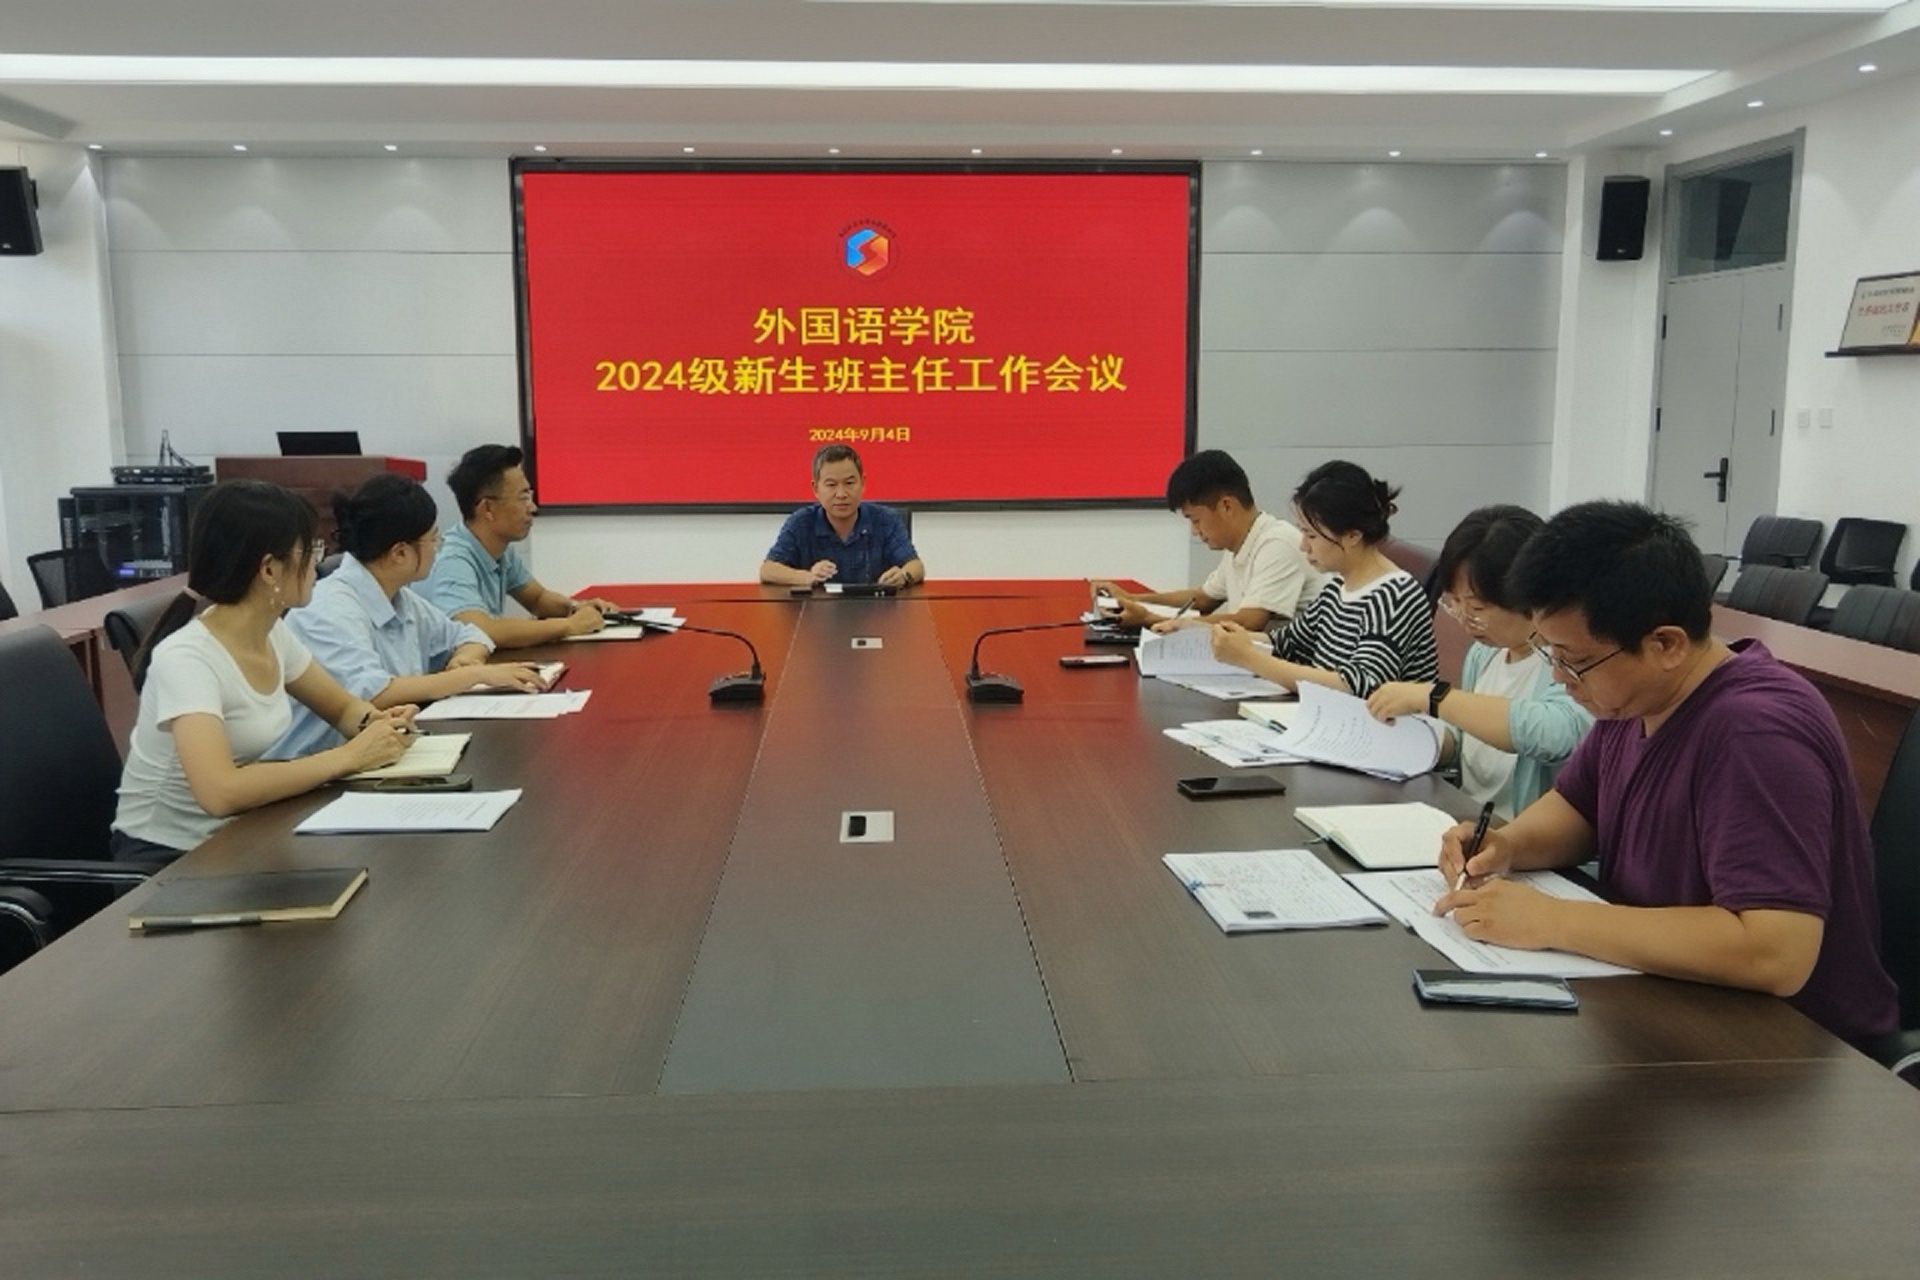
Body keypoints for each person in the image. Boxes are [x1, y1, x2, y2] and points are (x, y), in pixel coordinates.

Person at [1433, 501, 1898, 1045]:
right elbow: (1580, 807)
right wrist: (1507, 846)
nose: (1559, 677)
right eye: (1549, 653)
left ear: (1666, 644)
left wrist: (1552, 920)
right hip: (1667, 1001)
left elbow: (1776, 952)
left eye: (1572, 660)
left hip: (1788, 1045)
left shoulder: (1754, 732)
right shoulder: (1631, 697)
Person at [111, 479, 415, 863]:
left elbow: (342, 709)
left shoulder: (272, 633)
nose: (317, 564)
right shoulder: (188, 659)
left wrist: (378, 723)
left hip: (240, 835)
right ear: (269, 569)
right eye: (310, 550)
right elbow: (220, 792)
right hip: (168, 859)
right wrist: (350, 757)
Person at [271, 473, 548, 758]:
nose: (438, 548)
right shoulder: (329, 608)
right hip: (312, 766)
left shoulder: (400, 596)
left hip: (379, 751)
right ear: (400, 553)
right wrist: (472, 674)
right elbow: (375, 693)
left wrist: (465, 658)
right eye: (433, 539)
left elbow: (469, 634)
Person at [1366, 505, 1591, 817]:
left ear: (1528, 596)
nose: (1464, 619)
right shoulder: (1484, 653)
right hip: (1463, 813)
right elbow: (1464, 738)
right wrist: (1412, 742)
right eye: (1454, 602)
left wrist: (1435, 698)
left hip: (1515, 829)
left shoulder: (1565, 663)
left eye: (1477, 608)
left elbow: (1556, 733)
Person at [1208, 460, 1437, 698]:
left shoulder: (1393, 596)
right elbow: (1287, 643)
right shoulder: (1338, 587)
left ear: (1352, 536)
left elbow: (1359, 686)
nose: (1303, 546)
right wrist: (1235, 639)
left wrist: (1249, 657)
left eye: (1311, 535)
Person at [1090, 449, 1323, 632]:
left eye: (1196, 520)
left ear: (1226, 506)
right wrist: (1130, 599)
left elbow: (1249, 622)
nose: (1194, 531)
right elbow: (1202, 600)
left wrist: (1150, 618)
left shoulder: (1277, 543)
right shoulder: (1240, 545)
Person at [422, 444, 621, 647]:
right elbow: (479, 629)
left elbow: (538, 599)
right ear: (487, 508)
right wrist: (569, 625)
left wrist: (577, 607)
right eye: (523, 498)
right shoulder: (453, 560)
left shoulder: (500, 549)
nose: (532, 507)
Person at [759, 444, 924, 588]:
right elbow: (768, 570)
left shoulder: (885, 519)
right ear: (816, 488)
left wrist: (904, 576)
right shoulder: (801, 522)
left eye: (849, 483)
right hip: (817, 612)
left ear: (862, 483)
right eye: (831, 485)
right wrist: (807, 577)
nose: (841, 494)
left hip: (876, 610)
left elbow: (916, 566)